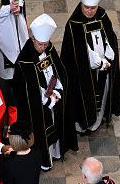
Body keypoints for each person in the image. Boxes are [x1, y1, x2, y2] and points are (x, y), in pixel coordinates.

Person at [11, 13, 78, 171]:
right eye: (40, 44)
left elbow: (58, 71)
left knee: (55, 126)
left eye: (46, 44)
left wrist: (58, 90)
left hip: (53, 98)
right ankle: (44, 159)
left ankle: (55, 153)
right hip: (38, 108)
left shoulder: (49, 49)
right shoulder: (24, 62)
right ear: (32, 39)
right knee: (42, 132)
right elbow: (29, 89)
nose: (43, 48)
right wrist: (46, 99)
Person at [61, 0, 120, 134]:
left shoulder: (101, 15)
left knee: (101, 95)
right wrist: (98, 62)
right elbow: (78, 52)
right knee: (84, 98)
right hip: (84, 73)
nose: (89, 11)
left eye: (92, 7)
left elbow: (110, 38)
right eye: (86, 7)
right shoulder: (74, 24)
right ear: (81, 3)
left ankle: (98, 119)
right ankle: (83, 123)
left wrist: (109, 57)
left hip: (103, 68)